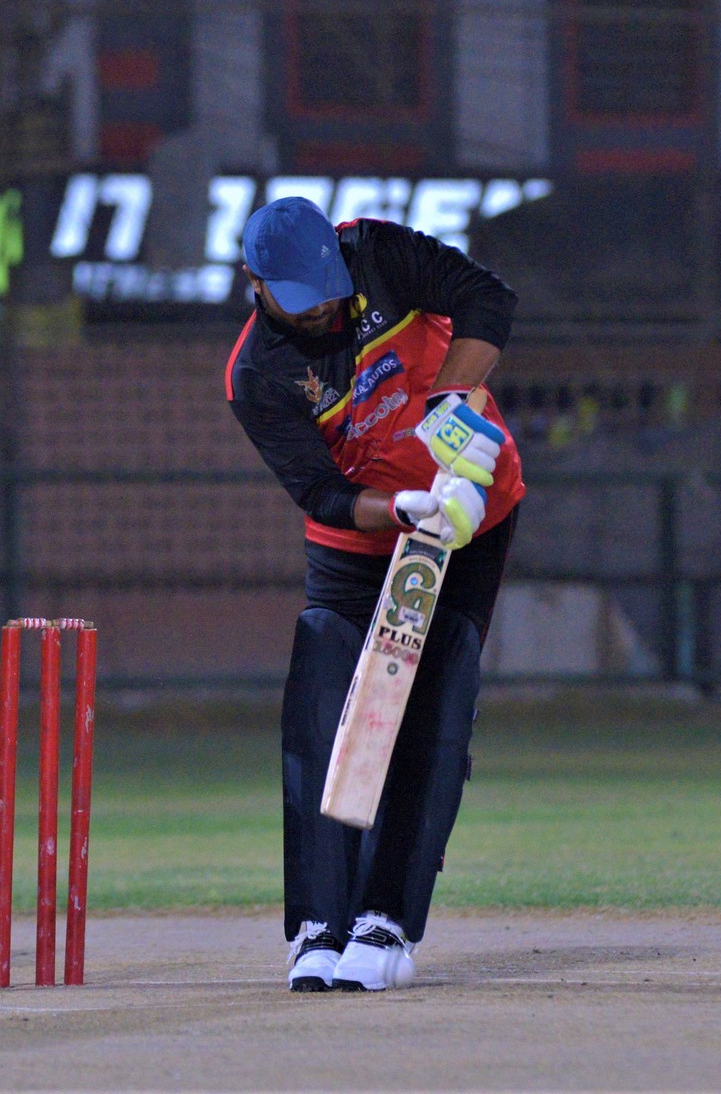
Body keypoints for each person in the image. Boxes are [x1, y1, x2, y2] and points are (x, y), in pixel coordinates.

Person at [224, 197, 525, 993]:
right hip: (359, 541)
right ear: (255, 283)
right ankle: (319, 925)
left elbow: (487, 297)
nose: (321, 309)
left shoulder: (377, 255)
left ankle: (384, 918)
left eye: (327, 290)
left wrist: (449, 404)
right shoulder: (257, 375)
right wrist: (400, 509)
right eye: (300, 299)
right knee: (325, 713)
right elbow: (320, 493)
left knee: (433, 708)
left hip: (470, 518)